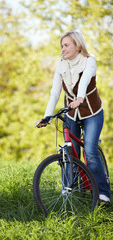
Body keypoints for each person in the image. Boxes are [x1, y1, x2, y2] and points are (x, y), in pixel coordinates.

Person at [36, 30, 111, 205]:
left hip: (91, 113)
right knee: (70, 153)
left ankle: (103, 194)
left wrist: (80, 98)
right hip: (71, 113)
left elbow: (84, 80)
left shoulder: (89, 61)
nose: (63, 49)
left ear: (77, 45)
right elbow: (55, 92)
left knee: (90, 151)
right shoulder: (61, 65)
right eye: (62, 46)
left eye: (66, 45)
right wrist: (47, 116)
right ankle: (74, 192)